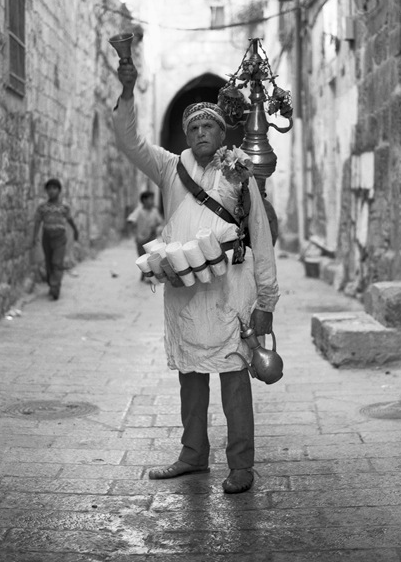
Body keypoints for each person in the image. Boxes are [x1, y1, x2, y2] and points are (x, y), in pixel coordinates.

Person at [113, 61, 279, 494]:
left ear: (224, 135)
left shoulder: (239, 173)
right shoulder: (170, 168)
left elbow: (260, 238)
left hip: (231, 293)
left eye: (210, 125)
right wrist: (128, 92)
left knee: (234, 376)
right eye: (194, 127)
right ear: (186, 136)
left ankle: (241, 464)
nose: (202, 132)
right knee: (189, 372)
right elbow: (129, 142)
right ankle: (193, 454)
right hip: (185, 293)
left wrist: (267, 303)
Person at [32, 178, 79, 300]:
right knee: (48, 262)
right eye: (49, 189)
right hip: (46, 237)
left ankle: (55, 287)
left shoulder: (64, 207)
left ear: (59, 190)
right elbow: (37, 222)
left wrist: (75, 231)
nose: (52, 191)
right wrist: (35, 236)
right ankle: (51, 282)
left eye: (54, 188)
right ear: (46, 191)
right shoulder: (43, 207)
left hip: (60, 238)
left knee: (57, 263)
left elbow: (70, 220)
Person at [127, 190, 164, 280]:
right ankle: (145, 275)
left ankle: (151, 278)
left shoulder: (154, 211)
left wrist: (157, 228)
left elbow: (160, 222)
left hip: (151, 238)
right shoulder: (139, 210)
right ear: (144, 200)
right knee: (143, 258)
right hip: (141, 239)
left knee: (152, 258)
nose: (152, 201)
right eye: (150, 199)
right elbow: (130, 220)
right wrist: (135, 231)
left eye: (152, 199)